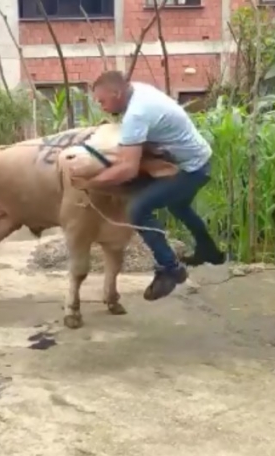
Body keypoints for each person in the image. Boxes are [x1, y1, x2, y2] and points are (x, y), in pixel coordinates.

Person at [82, 71, 226, 301]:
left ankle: (169, 268)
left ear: (117, 93)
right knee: (179, 206)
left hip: (192, 169)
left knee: (138, 209)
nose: (101, 107)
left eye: (102, 101)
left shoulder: (137, 113)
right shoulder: (138, 90)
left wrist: (91, 183)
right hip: (200, 158)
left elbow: (127, 168)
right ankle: (208, 249)